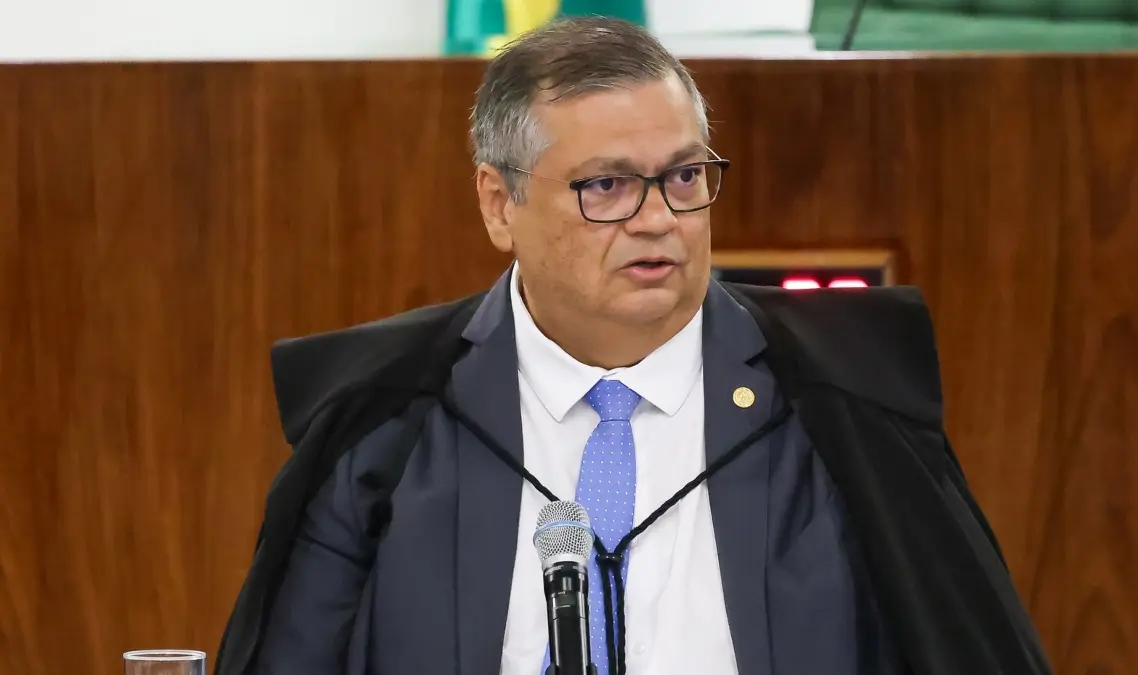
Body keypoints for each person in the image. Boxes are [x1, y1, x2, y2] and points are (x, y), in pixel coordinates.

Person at [215, 17, 1052, 675]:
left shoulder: (844, 405)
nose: (658, 219)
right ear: (499, 204)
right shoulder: (381, 424)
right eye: (607, 185)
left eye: (684, 176)